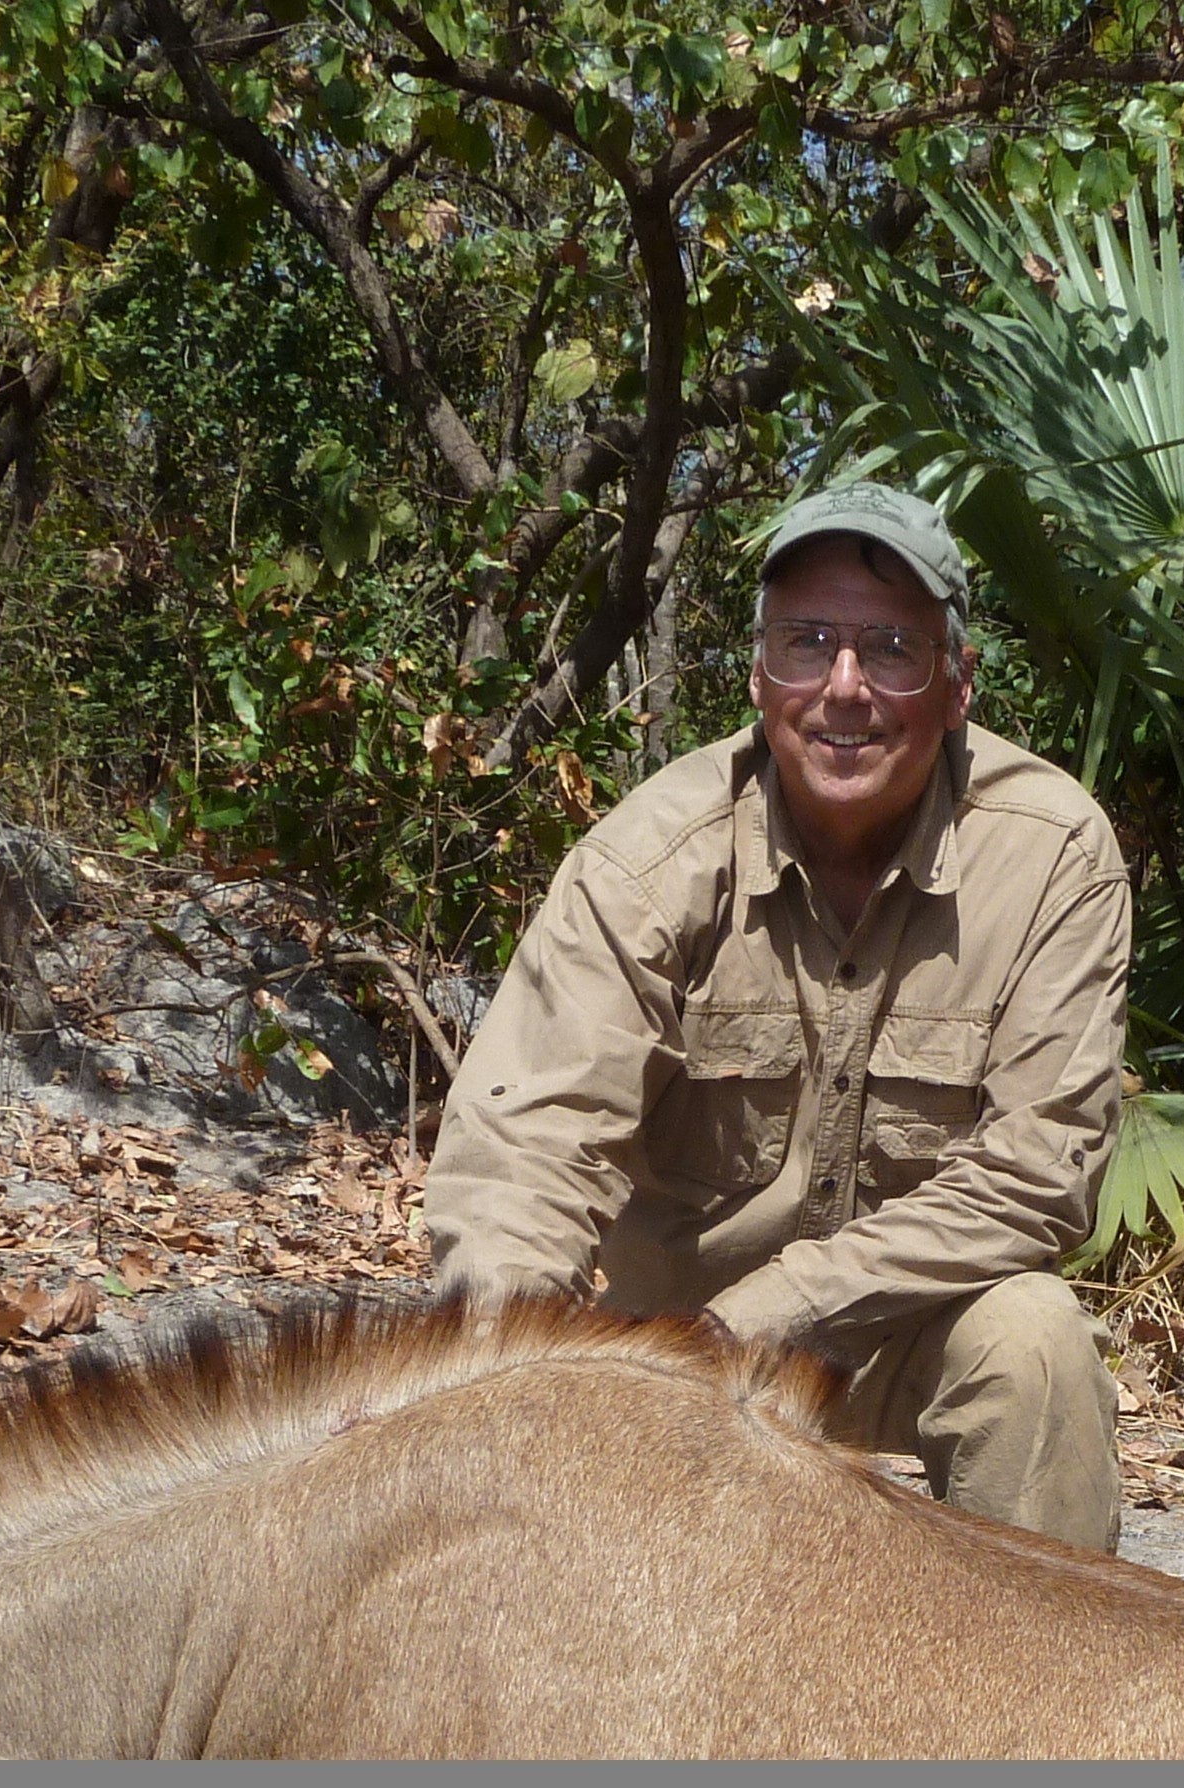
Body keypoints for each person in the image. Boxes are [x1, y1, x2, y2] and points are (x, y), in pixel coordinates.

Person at [421, 482, 1134, 1554]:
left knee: (1035, 1345)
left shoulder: (1051, 856)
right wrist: (507, 1372)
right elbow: (526, 1148)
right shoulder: (651, 858)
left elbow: (1040, 1171)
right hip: (649, 1350)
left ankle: (1038, 1709)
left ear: (956, 687)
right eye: (807, 643)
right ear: (759, 678)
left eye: (891, 648)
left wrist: (759, 1319)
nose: (844, 688)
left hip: (891, 1337)